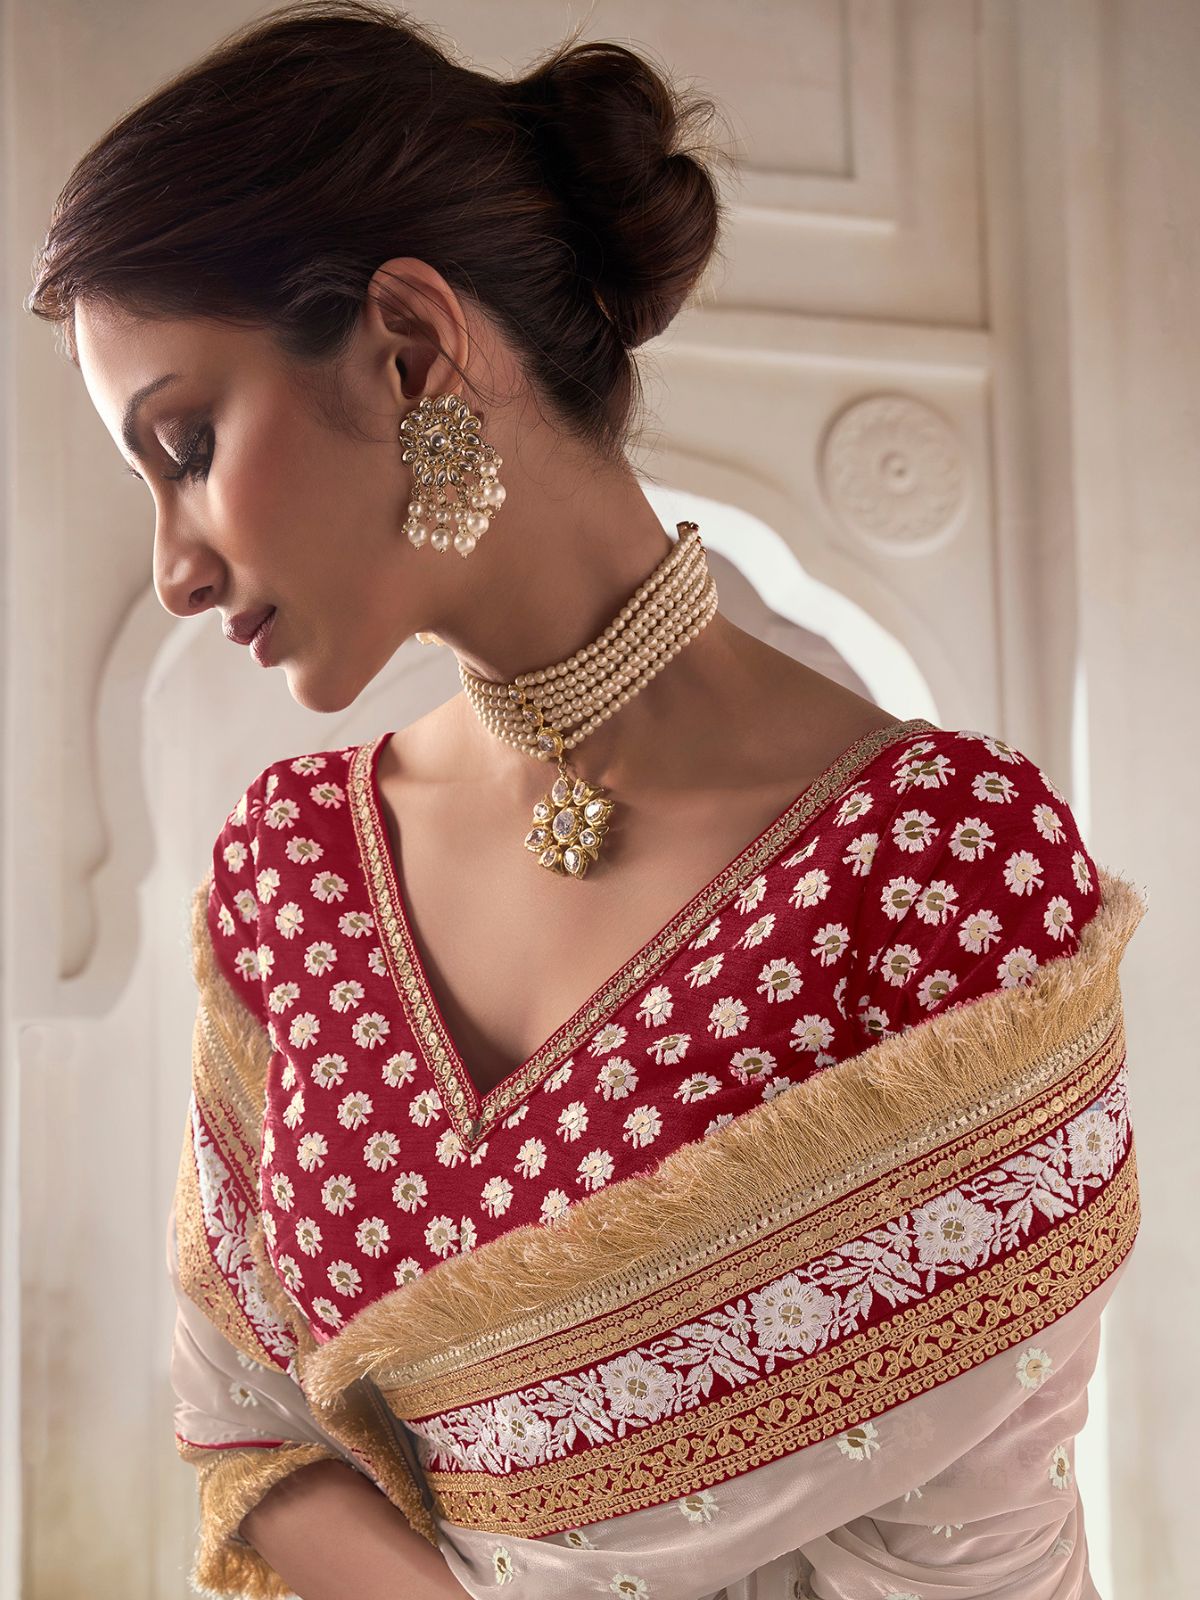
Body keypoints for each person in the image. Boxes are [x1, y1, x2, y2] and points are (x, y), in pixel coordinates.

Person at [27, 4, 1147, 1597]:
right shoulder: (297, 869)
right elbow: (252, 1436)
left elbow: (963, 1547)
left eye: (189, 442)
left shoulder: (936, 866)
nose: (176, 568)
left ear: (411, 349)